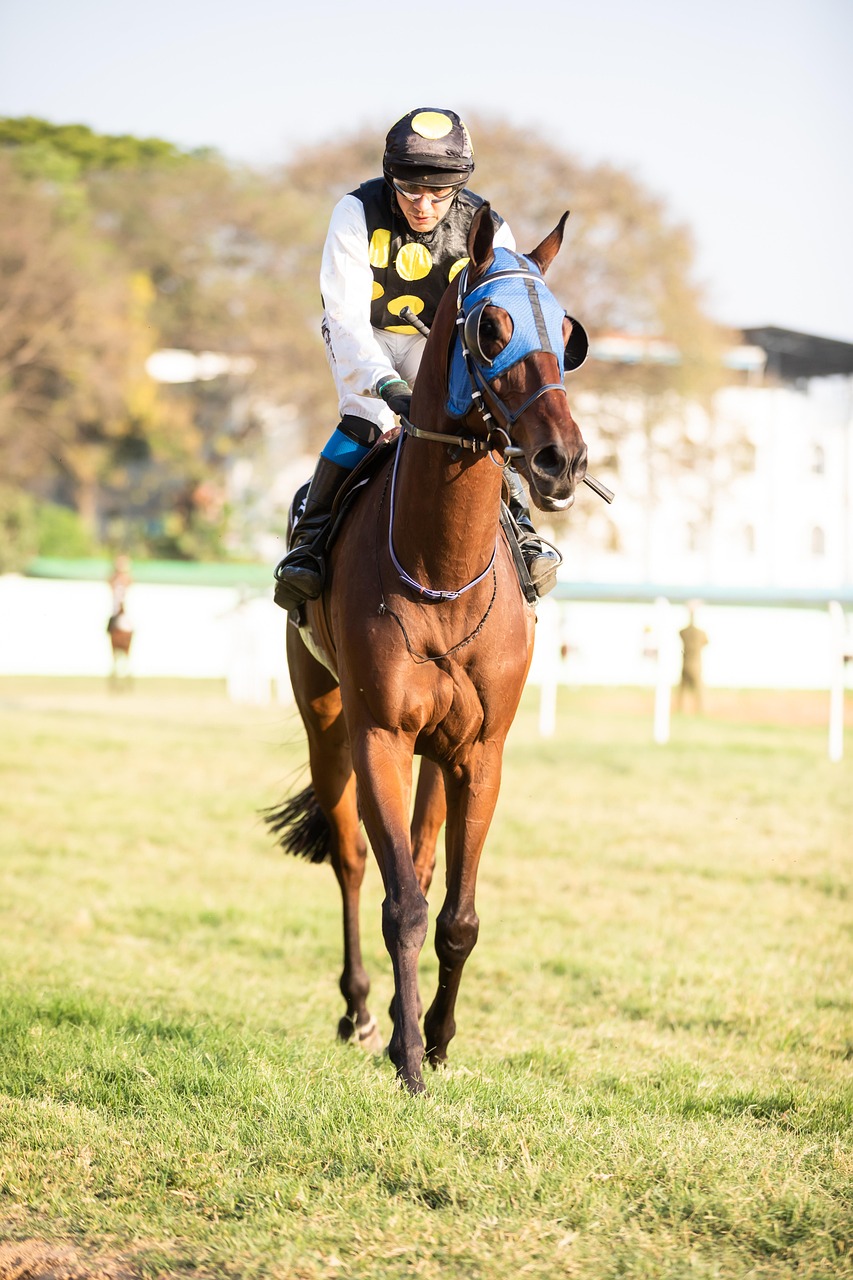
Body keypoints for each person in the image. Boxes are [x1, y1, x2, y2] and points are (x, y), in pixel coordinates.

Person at [273, 106, 561, 611]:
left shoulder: (491, 226)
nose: (423, 205)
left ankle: (525, 534)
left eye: (438, 194)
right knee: (368, 417)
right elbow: (343, 316)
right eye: (409, 191)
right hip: (370, 336)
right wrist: (386, 385)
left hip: (439, 344)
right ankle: (309, 547)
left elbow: (501, 315)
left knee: (482, 423)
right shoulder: (355, 211)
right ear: (391, 177)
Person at [677, 603, 709, 713]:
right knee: (699, 688)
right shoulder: (700, 633)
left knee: (683, 689)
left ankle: (681, 708)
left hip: (685, 663)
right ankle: (700, 709)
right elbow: (706, 642)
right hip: (695, 663)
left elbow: (680, 633)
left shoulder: (684, 632)